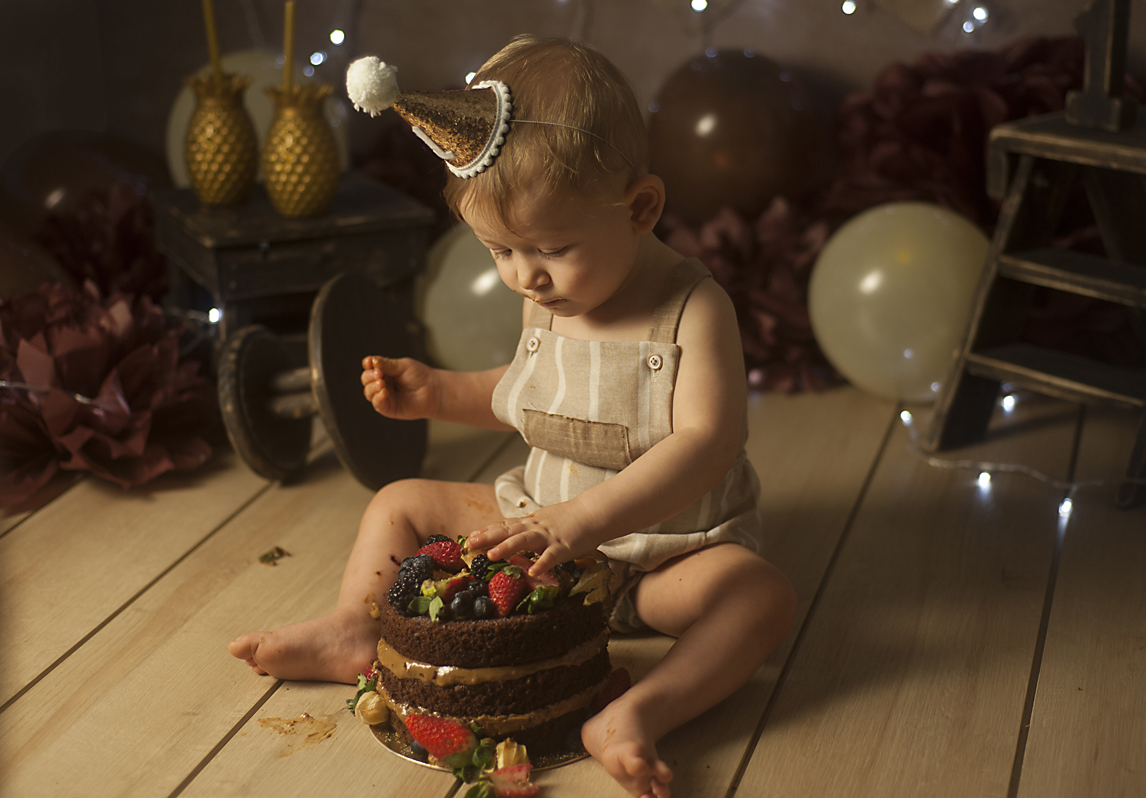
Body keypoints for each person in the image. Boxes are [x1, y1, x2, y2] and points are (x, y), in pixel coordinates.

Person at [229, 35, 797, 798]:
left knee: (759, 598)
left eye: (550, 248)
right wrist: (438, 393)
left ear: (641, 208)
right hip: (538, 532)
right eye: (499, 251)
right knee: (398, 501)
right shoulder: (550, 296)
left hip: (665, 553)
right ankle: (354, 627)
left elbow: (708, 441)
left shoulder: (693, 310)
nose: (525, 276)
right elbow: (532, 391)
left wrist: (584, 519)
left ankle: (638, 713)